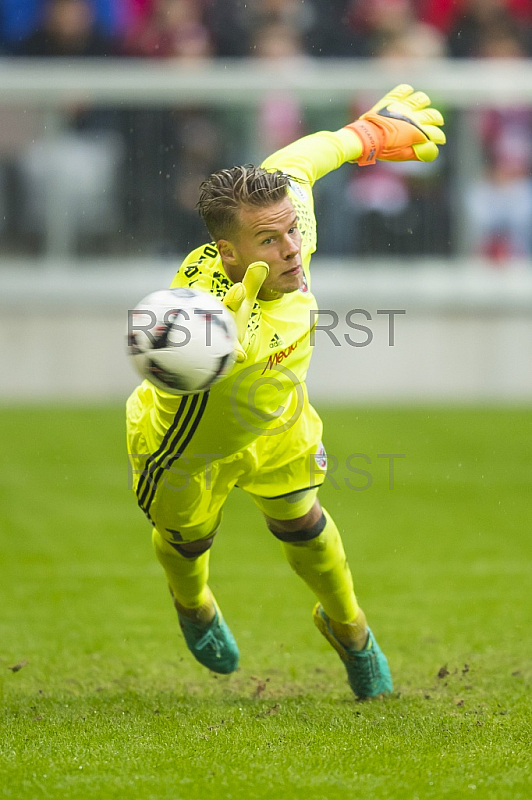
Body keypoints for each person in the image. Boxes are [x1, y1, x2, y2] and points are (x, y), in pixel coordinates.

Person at [126, 85, 445, 699]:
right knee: (187, 541)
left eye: (291, 231)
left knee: (304, 522)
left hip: (277, 422)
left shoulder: (279, 216)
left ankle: (352, 632)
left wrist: (367, 136)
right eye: (270, 242)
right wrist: (223, 336)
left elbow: (295, 164)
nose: (293, 248)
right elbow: (181, 347)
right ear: (228, 251)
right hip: (185, 442)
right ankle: (193, 605)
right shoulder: (201, 319)